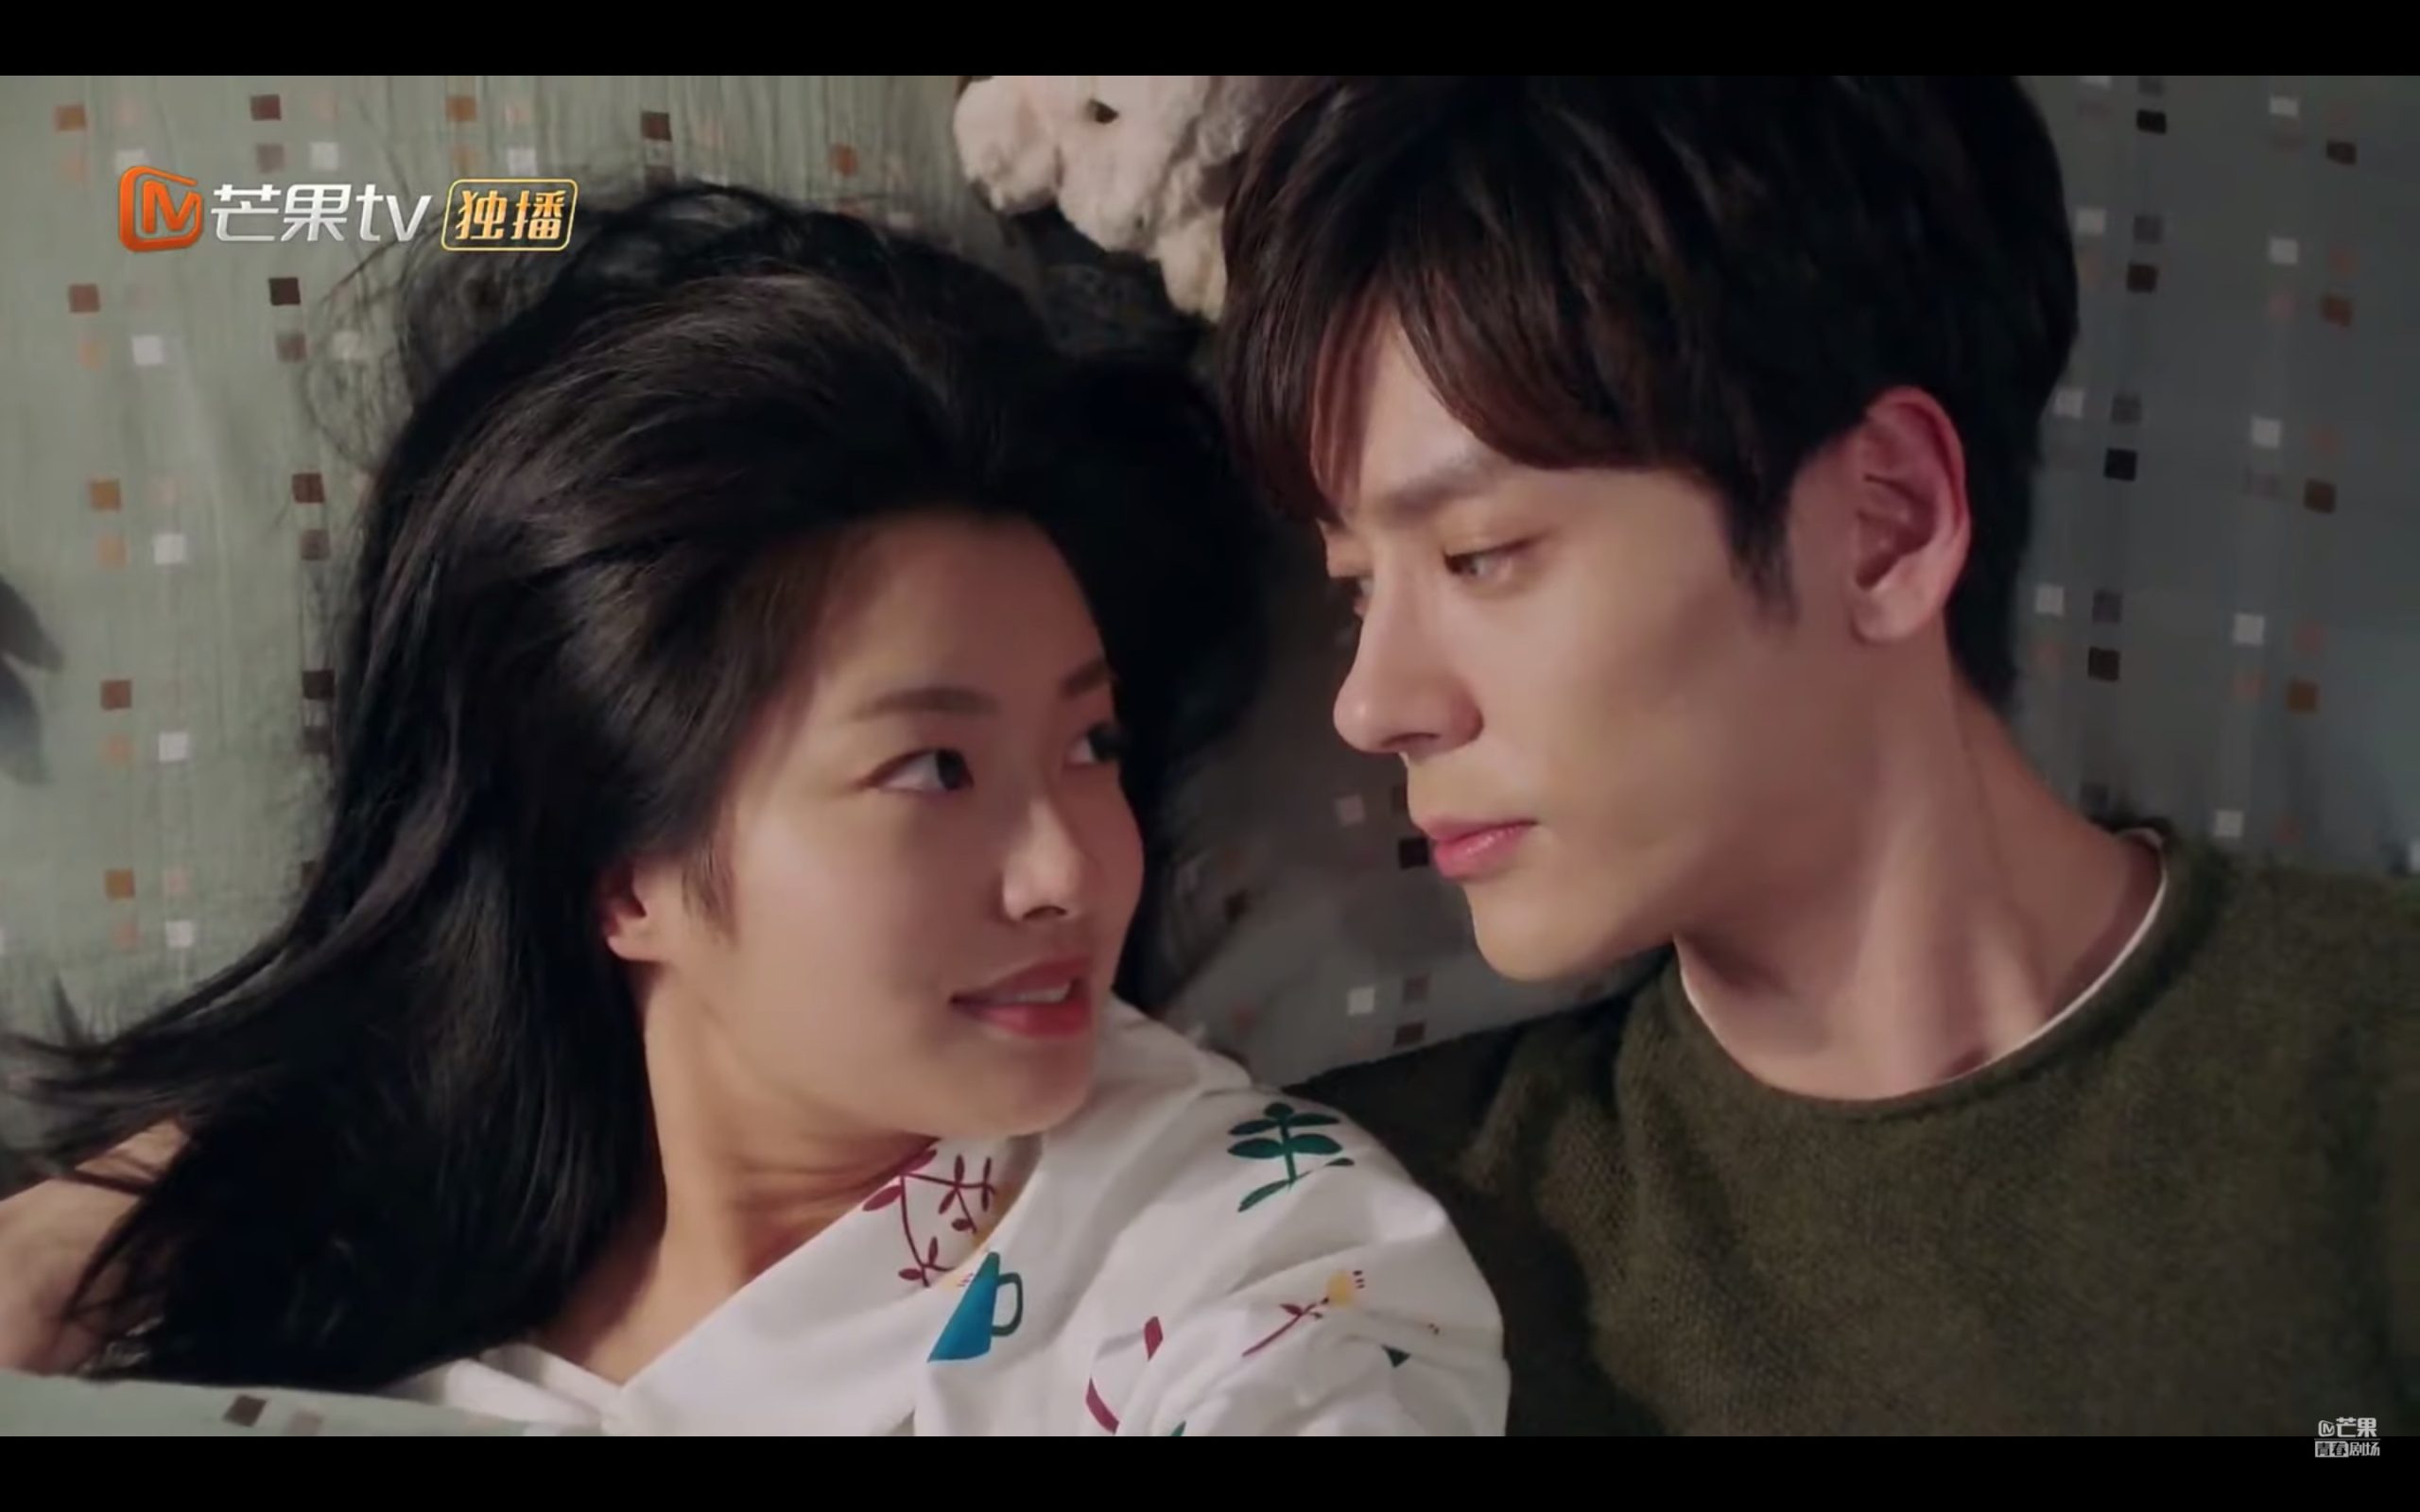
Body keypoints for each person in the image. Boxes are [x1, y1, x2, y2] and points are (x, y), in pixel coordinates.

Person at [0, 183, 1508, 1435]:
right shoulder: (294, 1285)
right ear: (623, 867)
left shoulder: (1240, 1251)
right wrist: (127, 1217)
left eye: (1091, 742)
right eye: (936, 769)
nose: (1071, 868)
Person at [1216, 77, 2416, 1435]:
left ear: (1883, 524)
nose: (1373, 705)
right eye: (1357, 588)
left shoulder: (2375, 1075)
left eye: (1480, 554)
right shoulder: (1350, 1231)